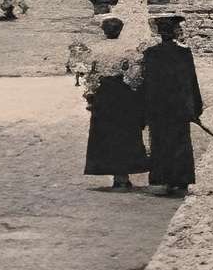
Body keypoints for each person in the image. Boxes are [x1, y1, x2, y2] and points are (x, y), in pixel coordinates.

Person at [138, 15, 206, 197]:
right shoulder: (183, 53)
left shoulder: (151, 53)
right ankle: (181, 180)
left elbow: (147, 83)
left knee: (160, 142)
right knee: (180, 142)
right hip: (178, 106)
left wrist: (145, 109)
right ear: (175, 31)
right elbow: (191, 82)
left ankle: (164, 179)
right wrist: (195, 107)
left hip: (158, 106)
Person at [82, 17, 148, 191]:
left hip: (103, 93)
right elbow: (136, 72)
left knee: (106, 132)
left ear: (104, 30)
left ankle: (116, 176)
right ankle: (123, 176)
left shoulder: (95, 49)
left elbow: (89, 75)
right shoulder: (128, 48)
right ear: (120, 30)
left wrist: (90, 96)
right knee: (124, 132)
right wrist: (132, 85)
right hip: (122, 91)